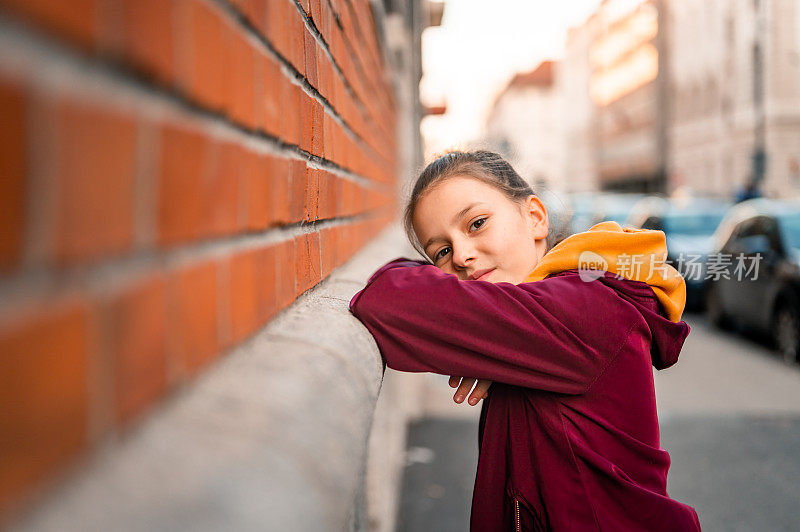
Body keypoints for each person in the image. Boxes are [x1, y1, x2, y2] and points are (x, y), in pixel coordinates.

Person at [348, 150, 702, 531]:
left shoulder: (586, 309)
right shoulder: (535, 316)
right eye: (442, 252)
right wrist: (487, 344)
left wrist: (477, 332)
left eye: (477, 223)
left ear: (534, 217)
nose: (463, 256)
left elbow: (385, 300)